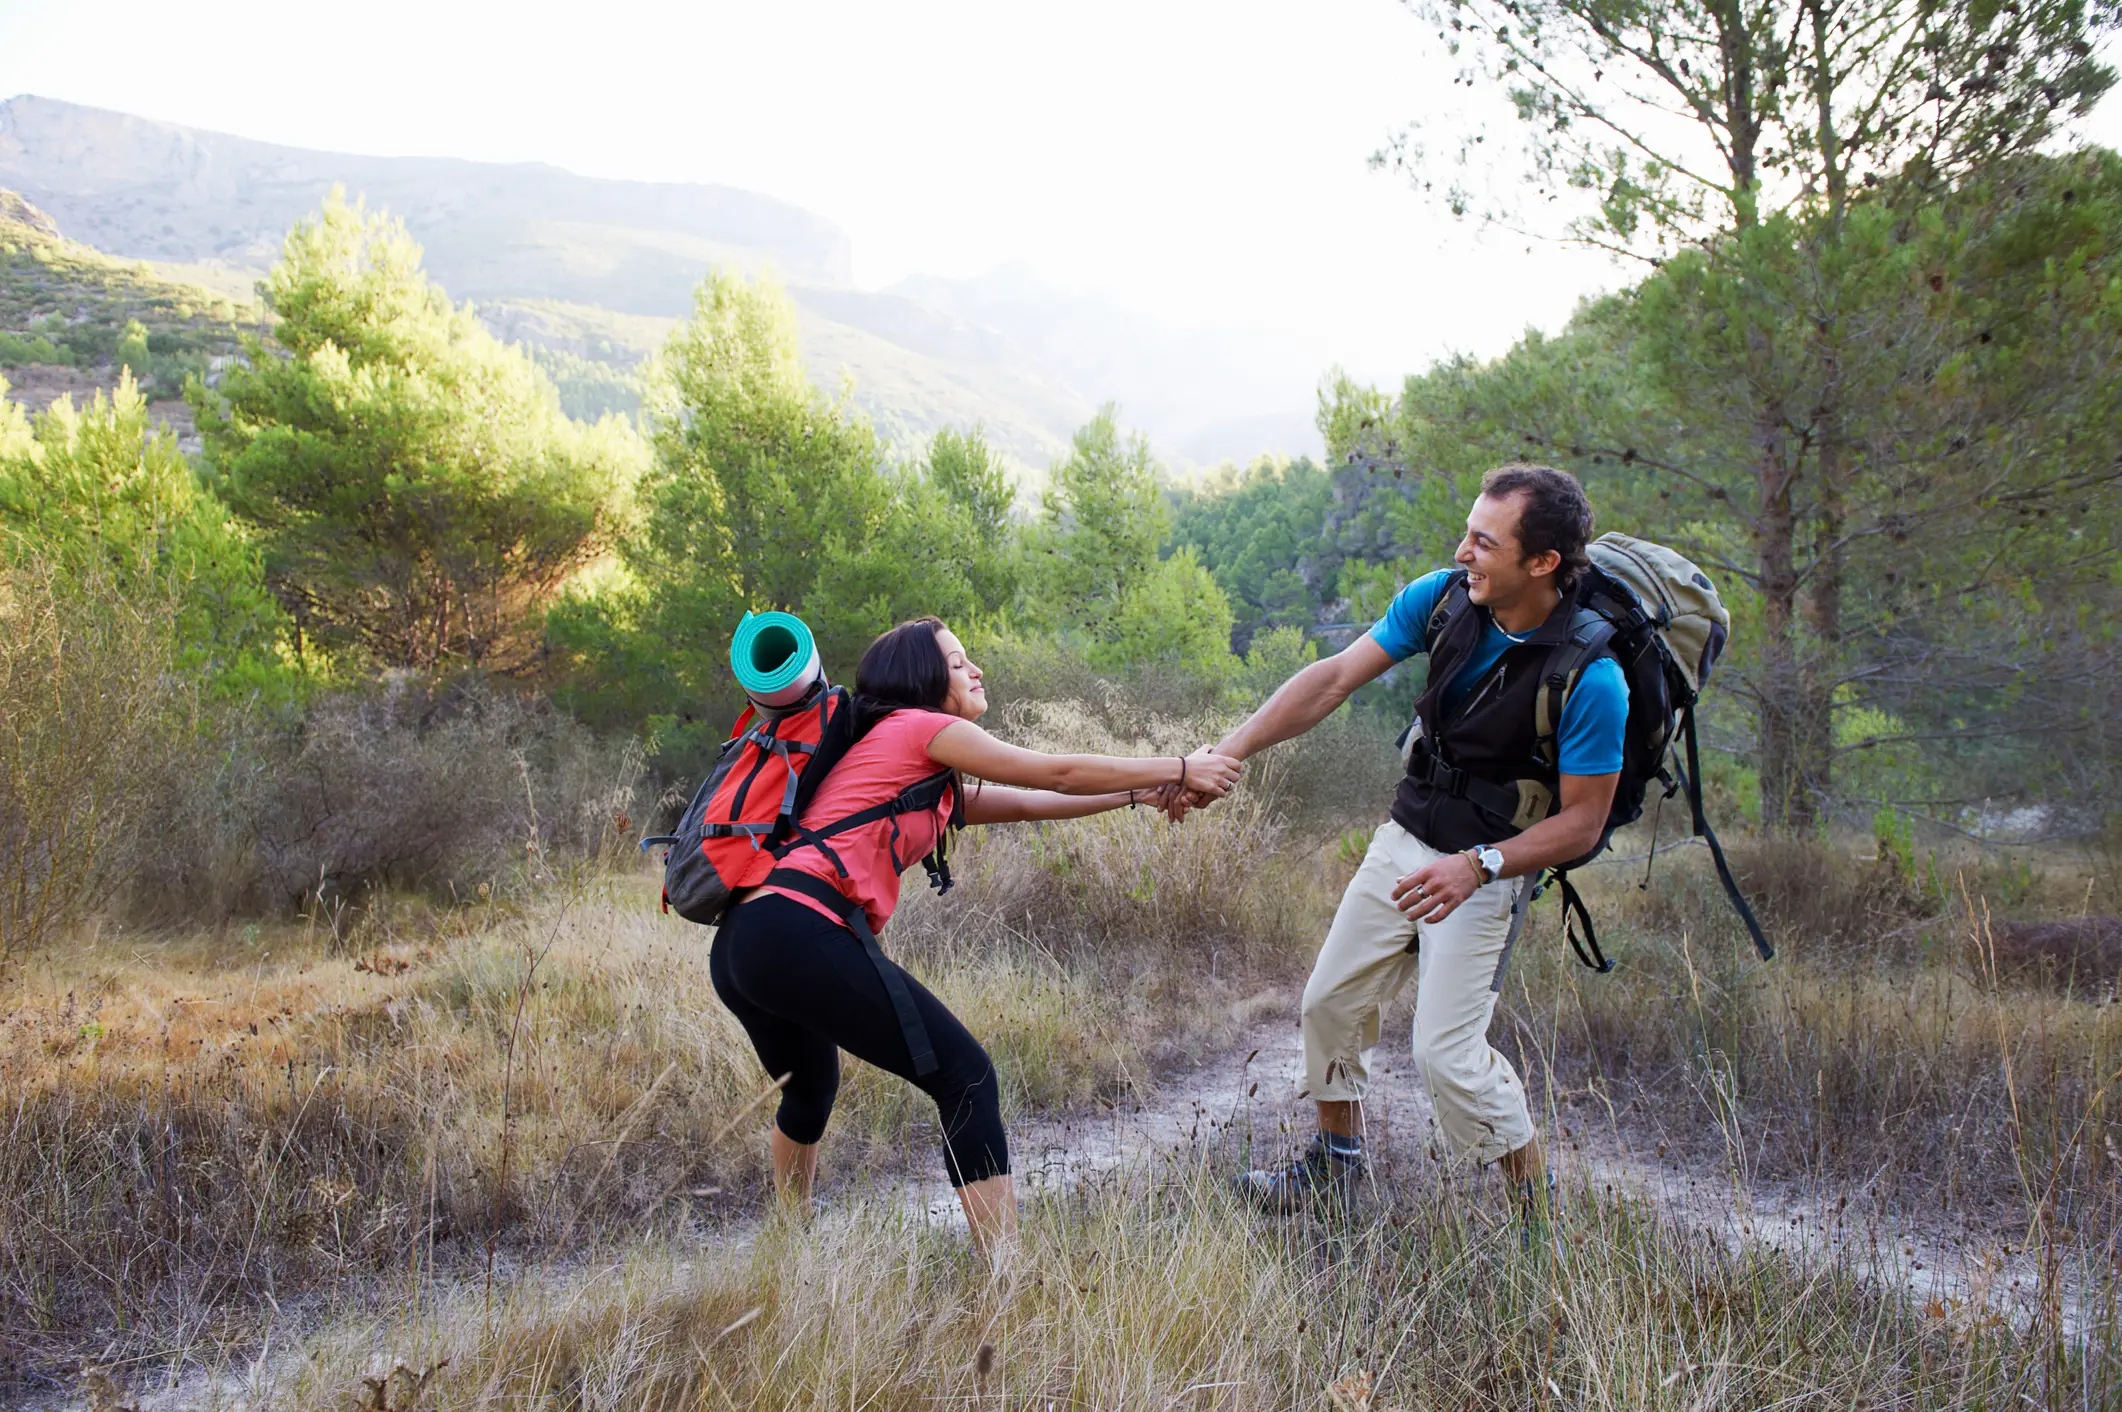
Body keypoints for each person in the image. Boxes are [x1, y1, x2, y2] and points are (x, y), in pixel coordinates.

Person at [708, 616, 1241, 1256]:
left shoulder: (903, 764)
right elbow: (1055, 772)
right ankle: (1005, 1271)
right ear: (923, 679)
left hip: (742, 942)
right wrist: (1183, 764)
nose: (976, 670)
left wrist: (1143, 793)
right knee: (966, 1078)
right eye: (960, 663)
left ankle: (787, 1251)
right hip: (795, 927)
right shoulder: (920, 728)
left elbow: (1026, 802)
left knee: (811, 1087)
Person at [1203, 464, 1626, 1229]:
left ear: (1541, 563)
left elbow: (1583, 823)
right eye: (1467, 532)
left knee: (1446, 1057)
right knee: (1328, 1004)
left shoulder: (1590, 677)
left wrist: (1479, 866)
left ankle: (1538, 1219)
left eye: (1483, 542)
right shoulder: (1440, 600)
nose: (1463, 551)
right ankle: (1333, 1172)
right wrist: (1226, 753)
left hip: (1487, 871)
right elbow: (1332, 679)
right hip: (1405, 837)